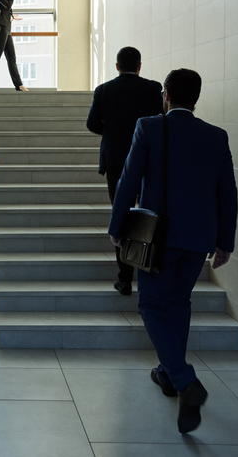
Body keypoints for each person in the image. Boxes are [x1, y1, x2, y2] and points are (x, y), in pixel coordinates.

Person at [107, 68, 238, 434]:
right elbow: (227, 191)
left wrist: (117, 227)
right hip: (198, 240)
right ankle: (167, 374)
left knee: (150, 305)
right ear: (196, 97)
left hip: (159, 238)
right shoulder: (216, 136)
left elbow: (128, 180)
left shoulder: (149, 127)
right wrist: (225, 241)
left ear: (166, 94)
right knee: (179, 303)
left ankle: (185, 381)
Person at [85, 47, 163, 296]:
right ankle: (151, 268)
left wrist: (113, 133)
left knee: (123, 213)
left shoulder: (104, 90)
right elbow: (161, 120)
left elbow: (92, 124)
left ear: (117, 66)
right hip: (148, 161)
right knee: (151, 213)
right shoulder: (152, 88)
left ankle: (125, 278)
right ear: (140, 66)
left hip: (117, 161)